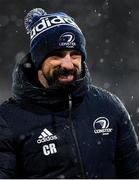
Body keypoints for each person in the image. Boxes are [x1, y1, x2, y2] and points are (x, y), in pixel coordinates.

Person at [0, 8, 139, 179]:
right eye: (57, 55)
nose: (68, 64)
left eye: (74, 54)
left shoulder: (109, 107)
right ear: (37, 62)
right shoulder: (7, 120)